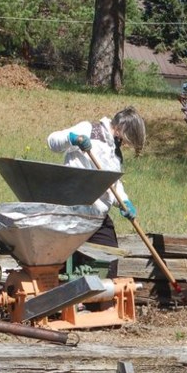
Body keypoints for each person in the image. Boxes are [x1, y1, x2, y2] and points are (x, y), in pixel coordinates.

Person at [46, 106, 146, 276]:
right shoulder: (89, 129)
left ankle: (101, 301)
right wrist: (73, 138)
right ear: (123, 129)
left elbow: (113, 183)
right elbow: (52, 141)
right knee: (62, 269)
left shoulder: (116, 152)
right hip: (73, 213)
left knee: (108, 268)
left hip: (97, 218)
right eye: (129, 139)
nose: (128, 144)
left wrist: (124, 202)